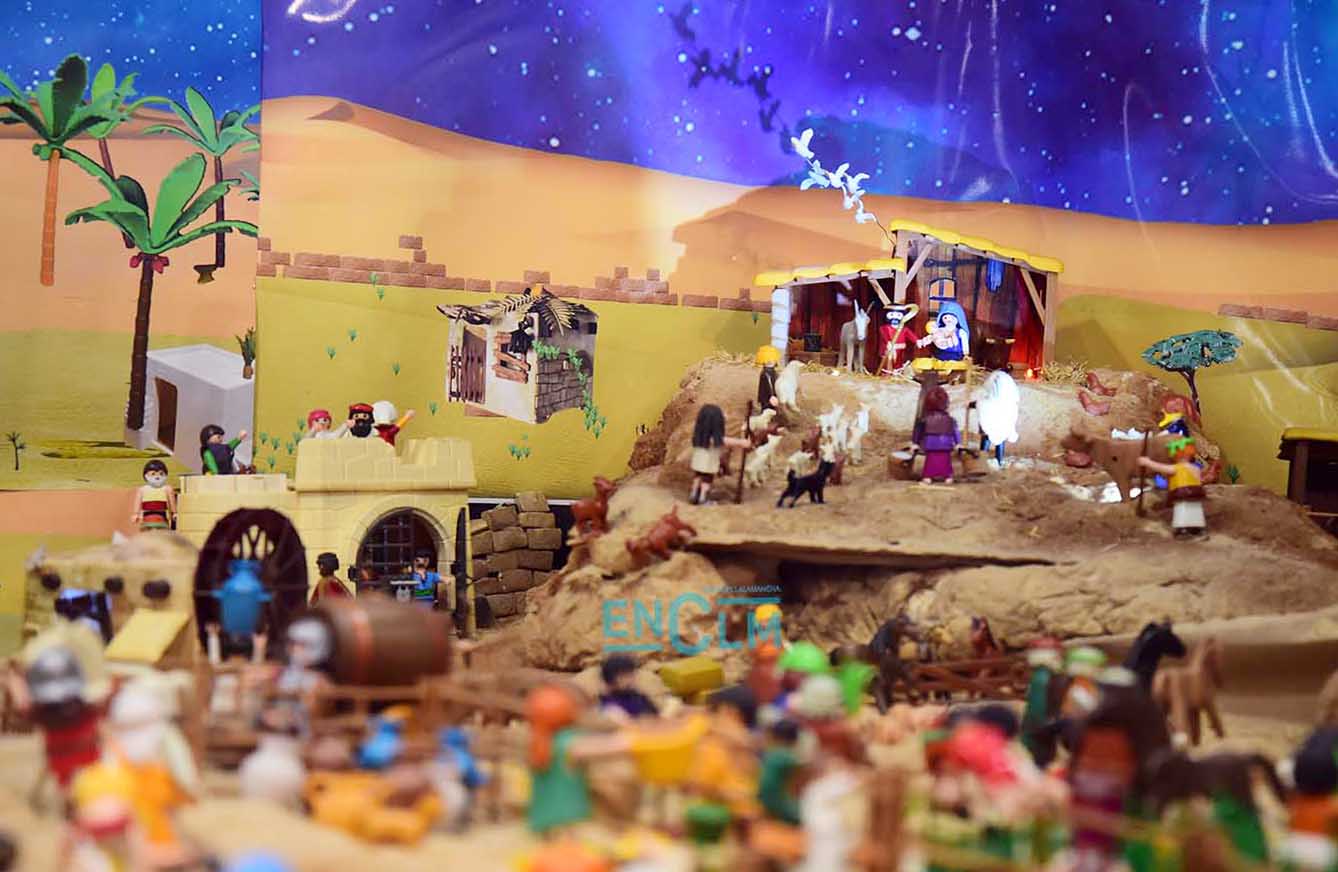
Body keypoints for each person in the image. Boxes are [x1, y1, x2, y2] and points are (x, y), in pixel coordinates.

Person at [1138, 437, 1207, 538]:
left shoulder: (1178, 468)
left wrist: (1147, 462)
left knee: (1182, 511)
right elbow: (1199, 480)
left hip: (1182, 493)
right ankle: (1196, 528)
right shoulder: (1195, 468)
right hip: (1195, 493)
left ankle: (1183, 528)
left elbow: (1161, 467)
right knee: (1194, 510)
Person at [689, 404, 750, 505]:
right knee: (707, 478)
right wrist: (741, 442)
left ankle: (694, 493)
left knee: (698, 475)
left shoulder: (700, 435)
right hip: (708, 460)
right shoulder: (711, 437)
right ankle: (703, 498)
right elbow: (720, 440)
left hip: (698, 459)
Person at [912, 386, 960, 483]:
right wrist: (958, 443)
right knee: (945, 461)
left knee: (931, 461)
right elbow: (955, 431)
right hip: (946, 443)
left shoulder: (925, 419)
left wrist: (915, 443)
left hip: (931, 443)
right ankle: (948, 476)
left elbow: (919, 432)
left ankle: (928, 476)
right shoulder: (950, 420)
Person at [598, 655, 659, 720]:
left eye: (632, 675)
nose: (631, 679)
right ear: (611, 679)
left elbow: (656, 716)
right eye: (625, 676)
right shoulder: (607, 704)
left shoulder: (639, 697)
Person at [132, 460, 176, 532]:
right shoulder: (142, 490)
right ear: (146, 475)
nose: (157, 476)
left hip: (162, 516)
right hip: (147, 516)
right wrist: (136, 514)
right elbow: (137, 502)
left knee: (163, 532)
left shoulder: (167, 489)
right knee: (147, 532)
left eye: (161, 473)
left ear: (166, 475)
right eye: (153, 474)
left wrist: (174, 513)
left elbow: (172, 503)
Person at [878, 306, 920, 374]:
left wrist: (917, 341)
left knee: (899, 361)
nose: (895, 318)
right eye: (891, 315)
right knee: (888, 362)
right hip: (888, 349)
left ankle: (897, 372)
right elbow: (885, 335)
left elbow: (911, 335)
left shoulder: (904, 329)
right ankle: (887, 374)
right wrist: (888, 342)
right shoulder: (884, 328)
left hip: (900, 348)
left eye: (898, 315)